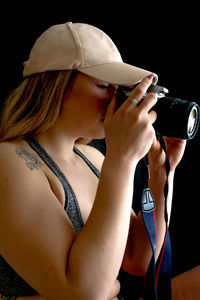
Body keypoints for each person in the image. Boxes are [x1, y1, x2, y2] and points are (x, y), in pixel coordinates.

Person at [0, 21, 194, 300]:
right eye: (104, 85)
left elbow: (138, 257)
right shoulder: (11, 161)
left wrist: (163, 171)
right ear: (49, 82)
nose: (117, 100)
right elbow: (83, 293)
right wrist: (123, 160)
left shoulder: (92, 157)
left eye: (120, 88)